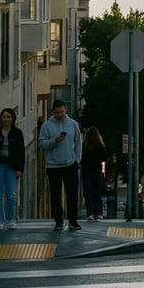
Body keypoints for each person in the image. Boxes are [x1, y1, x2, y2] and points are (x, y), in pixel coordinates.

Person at [38, 99, 83, 231]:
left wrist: (77, 160)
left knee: (72, 194)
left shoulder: (73, 124)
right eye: (57, 112)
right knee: (55, 195)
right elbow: (41, 143)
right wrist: (55, 141)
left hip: (70, 164)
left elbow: (78, 143)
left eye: (62, 112)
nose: (60, 115)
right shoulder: (46, 126)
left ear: (66, 110)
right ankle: (58, 221)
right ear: (53, 112)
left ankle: (73, 220)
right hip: (53, 166)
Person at [0, 108, 25, 230]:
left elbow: (21, 152)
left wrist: (20, 169)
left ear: (12, 119)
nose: (6, 119)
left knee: (12, 194)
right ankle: (0, 220)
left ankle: (12, 218)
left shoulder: (17, 133)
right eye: (3, 117)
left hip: (12, 167)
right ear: (0, 118)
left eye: (8, 117)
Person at [81, 126, 108, 221]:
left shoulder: (85, 145)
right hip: (97, 171)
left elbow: (81, 159)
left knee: (88, 194)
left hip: (86, 172)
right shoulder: (100, 145)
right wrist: (103, 171)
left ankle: (90, 214)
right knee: (97, 193)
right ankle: (99, 213)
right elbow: (104, 158)